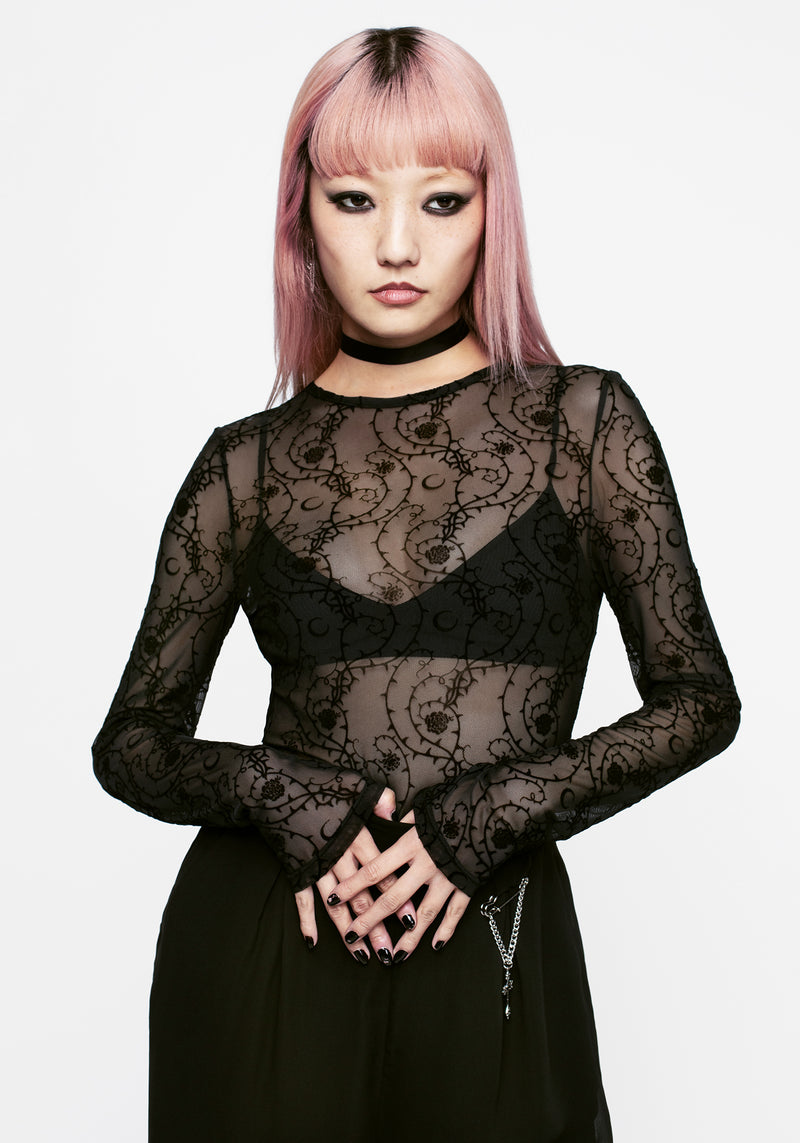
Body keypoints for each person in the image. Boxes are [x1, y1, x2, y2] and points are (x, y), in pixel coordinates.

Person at [93, 26, 740, 1143]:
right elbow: (132, 742)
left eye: (441, 201)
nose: (396, 243)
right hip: (266, 954)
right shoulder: (243, 465)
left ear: (492, 211)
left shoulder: (581, 425)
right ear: (301, 213)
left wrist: (486, 815)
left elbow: (699, 701)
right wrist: (286, 796)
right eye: (354, 200)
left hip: (493, 938)